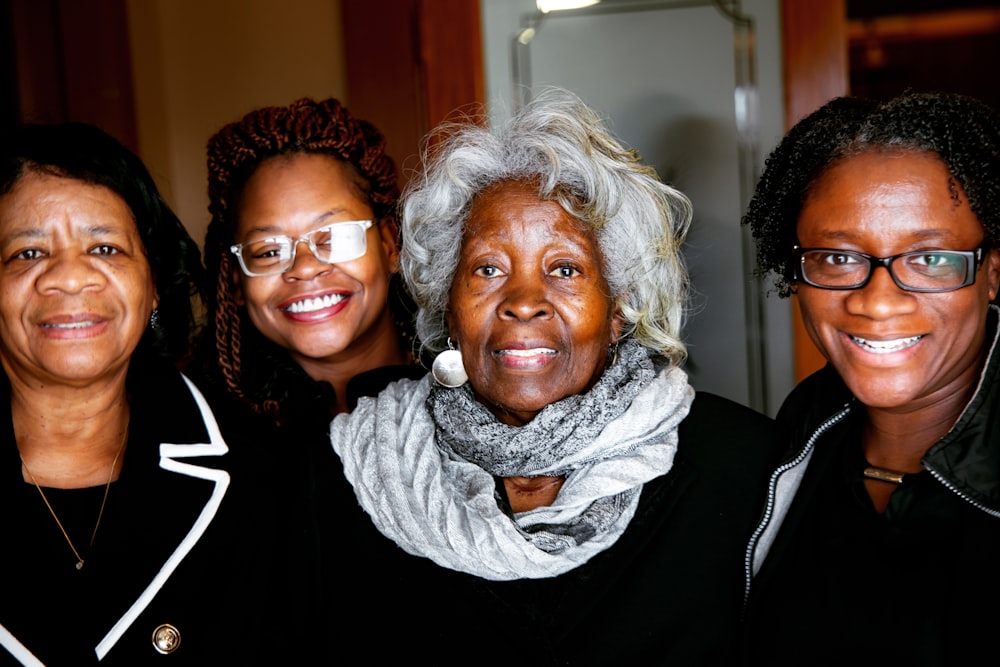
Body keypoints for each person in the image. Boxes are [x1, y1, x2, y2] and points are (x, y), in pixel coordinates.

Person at [331, 87, 782, 663]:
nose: (524, 301)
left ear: (618, 308)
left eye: (565, 269)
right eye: (489, 268)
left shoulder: (746, 470)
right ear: (449, 307)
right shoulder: (361, 471)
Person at [0, 122, 304, 665]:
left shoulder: (261, 473)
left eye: (105, 247)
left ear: (155, 285)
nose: (69, 278)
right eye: (26, 254)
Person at [740, 91, 1000, 665]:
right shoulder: (797, 436)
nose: (878, 302)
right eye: (839, 258)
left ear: (991, 275)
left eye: (930, 259)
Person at [196, 96, 422, 426]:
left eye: (333, 236)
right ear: (235, 282)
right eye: (268, 252)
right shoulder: (205, 431)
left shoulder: (482, 388)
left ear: (389, 245)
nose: (304, 267)